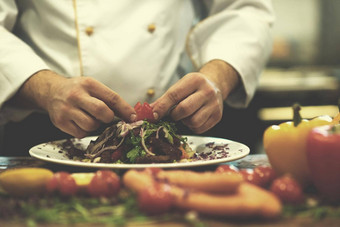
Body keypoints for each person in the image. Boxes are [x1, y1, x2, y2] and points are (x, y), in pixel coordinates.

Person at [0, 0, 274, 155]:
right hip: (51, 136)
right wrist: (46, 89)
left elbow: (243, 8)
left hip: (173, 137)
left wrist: (218, 76)